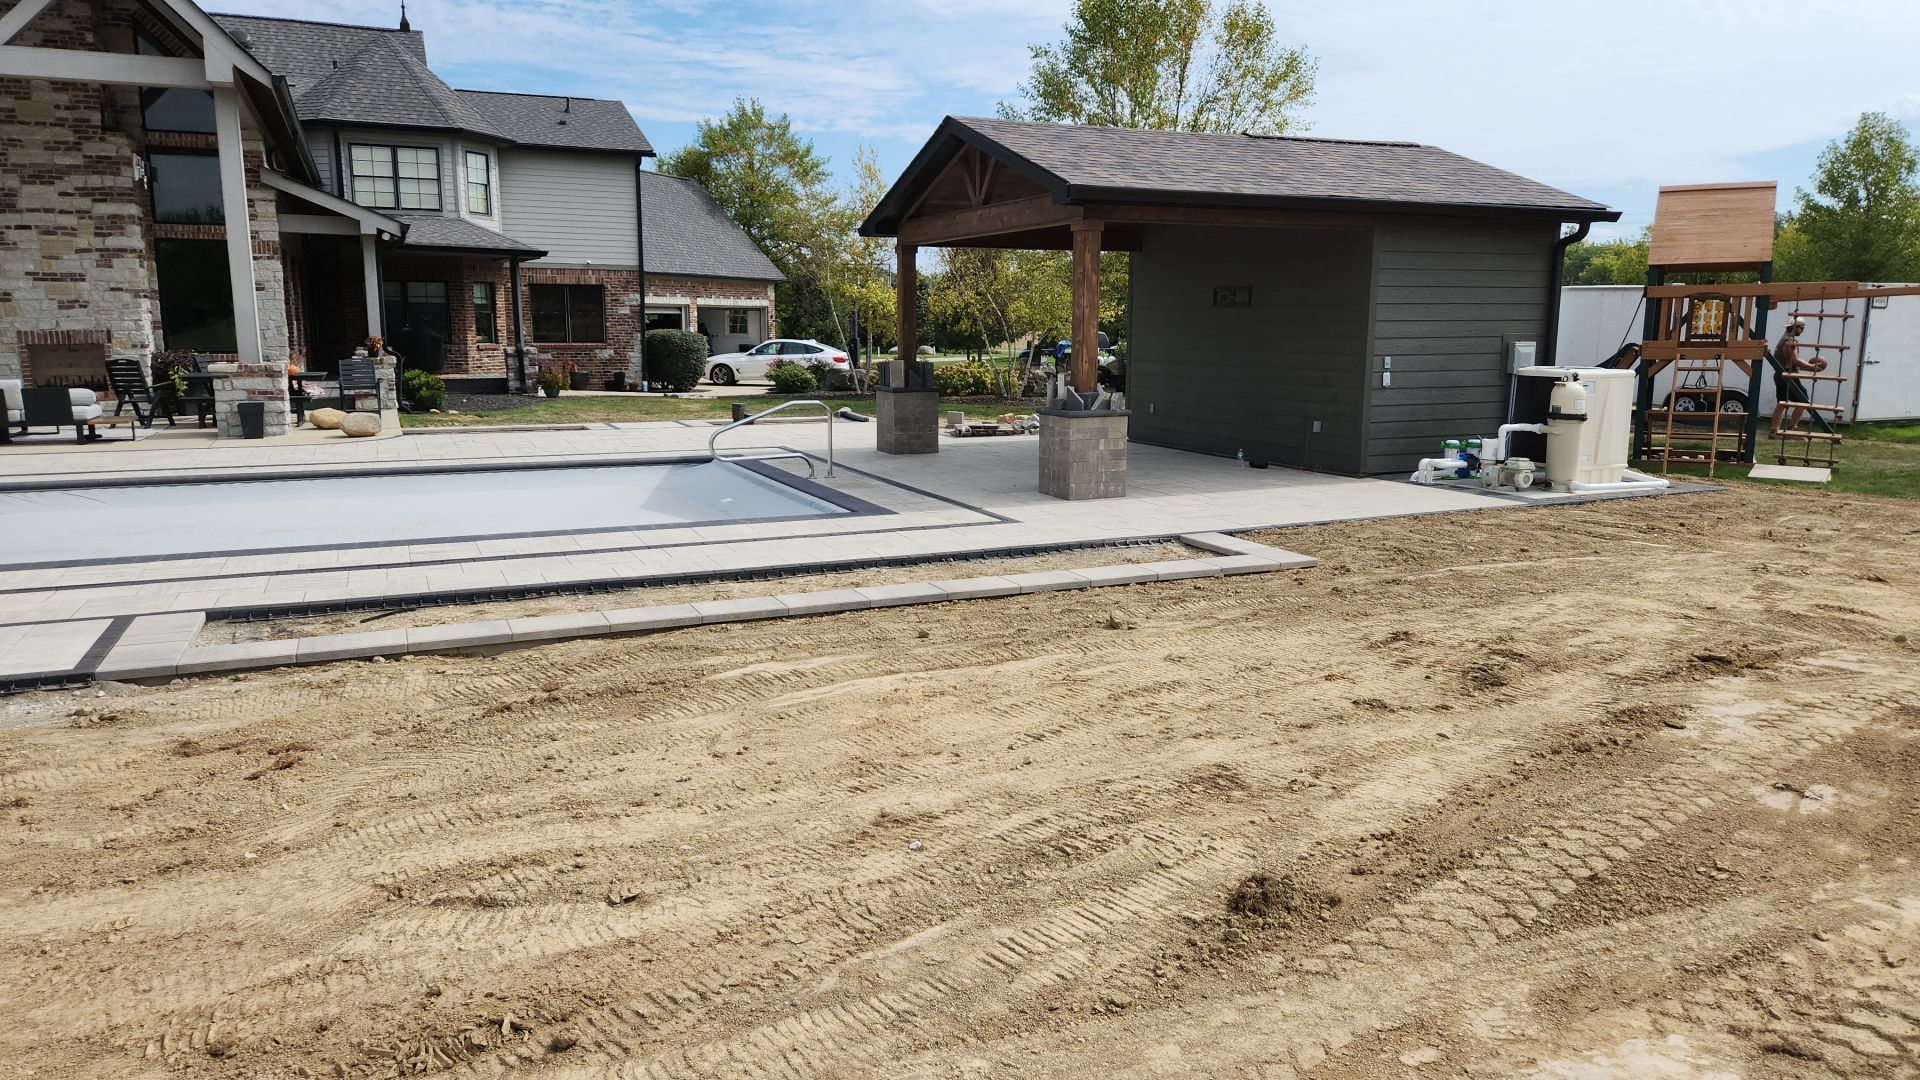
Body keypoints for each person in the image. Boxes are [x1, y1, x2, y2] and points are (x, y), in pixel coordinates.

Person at [1773, 318, 1827, 430]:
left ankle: (1774, 431)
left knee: (1782, 404)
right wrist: (1811, 366)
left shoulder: (1783, 339)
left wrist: (1809, 368)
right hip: (1788, 377)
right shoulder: (1791, 341)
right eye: (1801, 328)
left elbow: (1790, 363)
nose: (1802, 331)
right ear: (1795, 327)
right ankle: (1792, 428)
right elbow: (1795, 360)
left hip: (1780, 375)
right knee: (1803, 401)